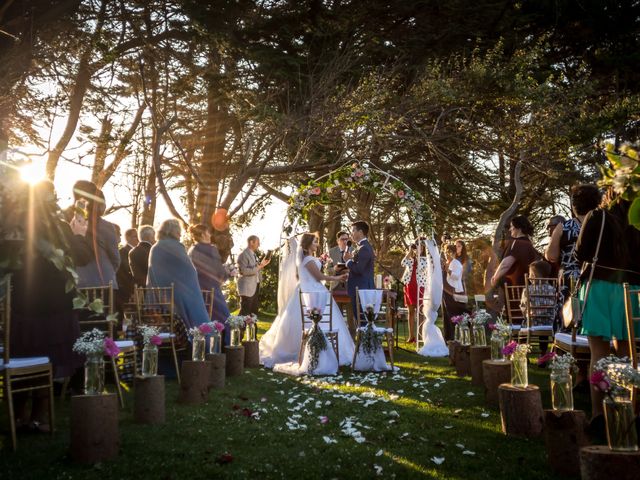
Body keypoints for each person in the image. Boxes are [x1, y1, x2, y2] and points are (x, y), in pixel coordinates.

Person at [9, 180, 92, 432]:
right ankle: (39, 418)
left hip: (25, 304)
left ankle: (21, 418)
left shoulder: (15, 226)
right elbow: (82, 257)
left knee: (26, 357)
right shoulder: (57, 227)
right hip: (54, 305)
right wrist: (79, 235)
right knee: (48, 360)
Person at [575, 189, 640, 420]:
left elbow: (580, 253)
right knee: (625, 353)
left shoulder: (597, 216)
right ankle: (622, 410)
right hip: (631, 288)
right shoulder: (637, 217)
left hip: (600, 286)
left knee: (599, 353)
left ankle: (597, 413)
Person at [259, 232, 354, 373]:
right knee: (313, 321)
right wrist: (338, 278)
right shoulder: (308, 259)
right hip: (311, 293)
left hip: (313, 290)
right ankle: (315, 352)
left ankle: (321, 351)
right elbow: (319, 276)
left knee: (320, 321)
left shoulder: (309, 258)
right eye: (315, 242)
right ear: (308, 244)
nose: (317, 244)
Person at [545, 184, 601, 330]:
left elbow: (551, 256)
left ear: (574, 205)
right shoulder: (602, 226)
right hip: (596, 277)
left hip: (570, 279)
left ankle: (568, 348)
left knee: (569, 318)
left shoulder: (564, 227)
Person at [147, 219, 210, 330]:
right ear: (172, 231)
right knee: (196, 306)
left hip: (159, 297)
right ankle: (200, 337)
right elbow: (190, 271)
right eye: (178, 231)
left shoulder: (155, 248)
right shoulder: (176, 246)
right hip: (177, 296)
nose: (180, 234)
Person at [187, 224, 231, 343]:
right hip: (212, 290)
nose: (210, 235)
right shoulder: (212, 249)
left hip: (197, 292)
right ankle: (226, 351)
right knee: (226, 321)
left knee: (203, 322)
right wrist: (229, 273)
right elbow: (219, 272)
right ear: (202, 234)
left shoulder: (191, 250)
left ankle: (203, 348)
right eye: (208, 232)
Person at [72, 182, 120, 290]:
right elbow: (115, 258)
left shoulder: (72, 225)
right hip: (104, 282)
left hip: (78, 283)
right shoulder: (106, 227)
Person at [490, 215, 539, 287]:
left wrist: (495, 278)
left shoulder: (517, 243)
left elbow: (505, 265)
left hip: (515, 287)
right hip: (527, 286)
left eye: (512, 226)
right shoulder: (529, 244)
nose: (510, 229)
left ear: (518, 228)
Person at [519, 260, 556, 353]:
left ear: (533, 276)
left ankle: (523, 352)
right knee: (544, 333)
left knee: (523, 327)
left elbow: (523, 306)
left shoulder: (528, 290)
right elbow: (556, 305)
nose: (530, 277)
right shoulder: (553, 289)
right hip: (549, 323)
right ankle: (543, 352)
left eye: (531, 274)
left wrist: (525, 315)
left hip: (533, 322)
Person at [343, 221, 375, 320]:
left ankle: (366, 335)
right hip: (360, 287)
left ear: (360, 232)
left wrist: (348, 261)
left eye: (353, 230)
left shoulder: (364, 248)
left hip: (362, 289)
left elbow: (359, 269)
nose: (351, 233)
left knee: (362, 319)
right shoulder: (361, 247)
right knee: (360, 319)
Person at [400, 242, 428, 343]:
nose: (418, 248)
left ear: (423, 248)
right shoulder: (411, 259)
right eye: (417, 246)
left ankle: (420, 335)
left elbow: (422, 268)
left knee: (420, 312)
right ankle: (411, 336)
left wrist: (419, 255)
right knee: (410, 311)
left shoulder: (425, 259)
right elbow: (403, 263)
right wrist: (410, 251)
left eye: (420, 246)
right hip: (409, 286)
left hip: (420, 287)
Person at [237, 235, 270, 317]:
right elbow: (244, 271)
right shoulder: (243, 255)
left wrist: (262, 264)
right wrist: (260, 266)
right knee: (245, 312)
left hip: (255, 286)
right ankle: (238, 328)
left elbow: (256, 268)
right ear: (251, 242)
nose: (259, 245)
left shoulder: (253, 254)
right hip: (247, 288)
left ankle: (251, 329)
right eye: (258, 243)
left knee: (253, 312)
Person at [442, 243, 468, 341]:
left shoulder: (456, 263)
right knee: (446, 315)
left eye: (448, 252)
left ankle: (455, 338)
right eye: (445, 252)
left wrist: (448, 270)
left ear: (453, 253)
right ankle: (447, 337)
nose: (446, 254)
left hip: (454, 292)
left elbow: (456, 276)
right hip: (445, 292)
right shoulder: (446, 263)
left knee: (453, 315)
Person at [115, 227, 138, 309]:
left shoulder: (136, 251)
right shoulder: (122, 252)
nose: (138, 239)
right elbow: (126, 270)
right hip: (126, 289)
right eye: (135, 236)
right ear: (127, 238)